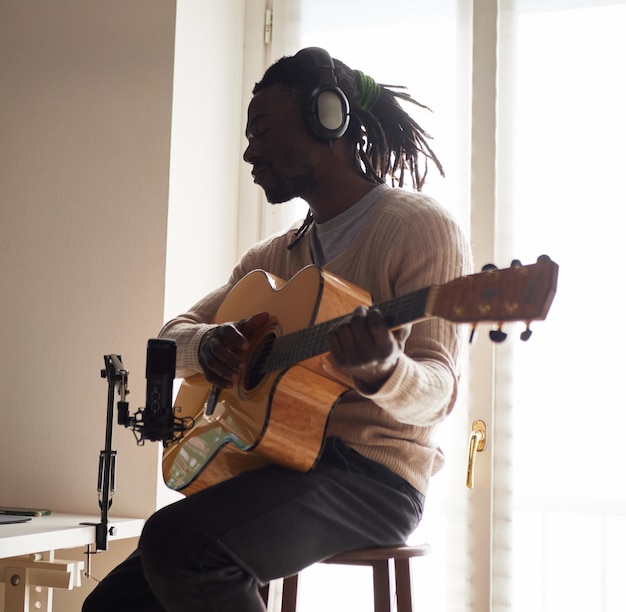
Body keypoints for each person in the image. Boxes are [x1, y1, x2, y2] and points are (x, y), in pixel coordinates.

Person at [83, 47, 471, 612]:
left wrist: (387, 372)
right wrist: (209, 346)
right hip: (275, 468)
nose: (249, 150)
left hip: (373, 478)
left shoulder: (419, 228)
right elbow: (169, 339)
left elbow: (438, 389)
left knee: (180, 545)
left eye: (263, 130)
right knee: (109, 606)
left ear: (326, 120)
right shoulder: (271, 260)